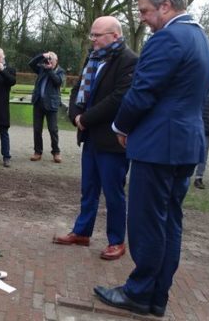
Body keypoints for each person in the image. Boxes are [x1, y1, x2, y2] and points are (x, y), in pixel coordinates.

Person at [94, 0, 209, 318]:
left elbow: (143, 92)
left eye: (146, 11)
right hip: (184, 144)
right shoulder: (200, 38)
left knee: (147, 222)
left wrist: (121, 126)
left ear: (165, 6)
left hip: (158, 145)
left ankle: (138, 292)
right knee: (169, 222)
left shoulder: (168, 38)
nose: (143, 18)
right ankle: (156, 295)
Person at [55, 16, 137, 261]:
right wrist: (75, 115)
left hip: (112, 140)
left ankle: (116, 241)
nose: (92, 40)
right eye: (91, 35)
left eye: (97, 35)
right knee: (88, 189)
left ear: (115, 35)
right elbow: (78, 89)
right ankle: (82, 232)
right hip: (90, 136)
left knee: (113, 193)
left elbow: (119, 98)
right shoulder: (93, 57)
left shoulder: (129, 60)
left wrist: (86, 118)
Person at [28, 51, 65, 163]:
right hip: (38, 103)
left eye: (51, 59)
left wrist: (49, 70)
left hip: (51, 104)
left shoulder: (60, 71)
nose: (49, 61)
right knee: (37, 129)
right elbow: (31, 64)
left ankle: (56, 152)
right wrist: (42, 56)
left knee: (53, 129)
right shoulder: (41, 68)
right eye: (48, 59)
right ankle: (38, 152)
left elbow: (58, 82)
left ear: (56, 61)